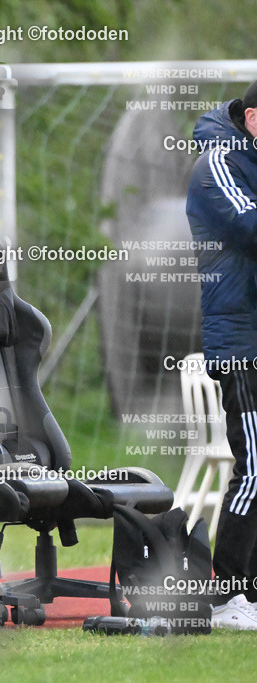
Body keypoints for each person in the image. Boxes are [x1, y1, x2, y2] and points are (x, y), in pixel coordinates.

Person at [186, 79, 257, 629]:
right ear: (254, 120)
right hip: (243, 343)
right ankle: (226, 597)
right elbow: (250, 226)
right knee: (255, 469)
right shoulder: (217, 163)